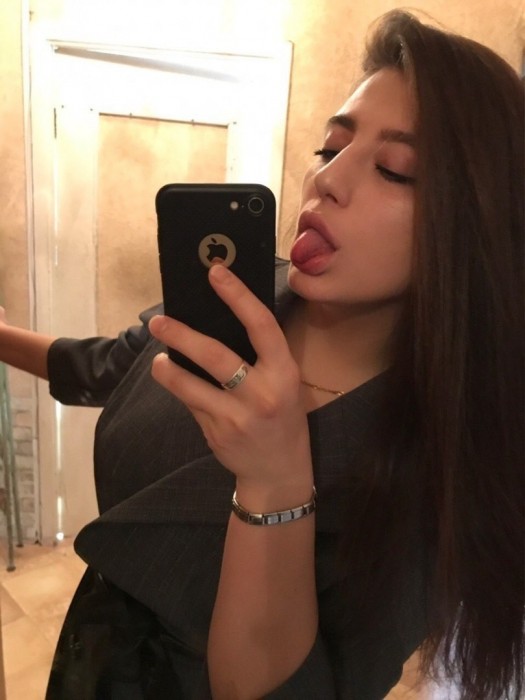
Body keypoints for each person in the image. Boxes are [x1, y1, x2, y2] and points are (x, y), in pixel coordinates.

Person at [1, 9, 523, 700]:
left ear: (476, 228)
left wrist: (276, 483)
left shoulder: (441, 463)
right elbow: (105, 366)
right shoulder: (241, 296)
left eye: (395, 169)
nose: (326, 180)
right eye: (329, 148)